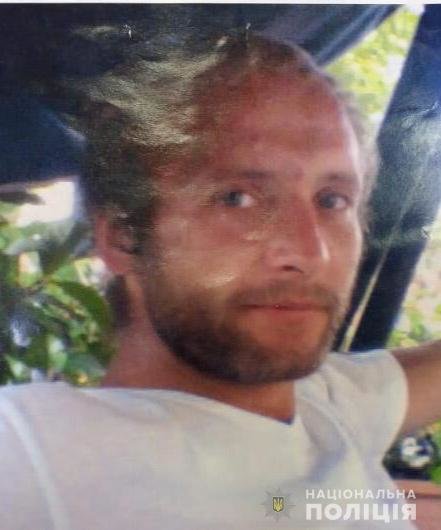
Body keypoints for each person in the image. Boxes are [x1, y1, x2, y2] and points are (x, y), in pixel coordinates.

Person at [1, 34, 440, 530]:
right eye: (238, 198)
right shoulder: (36, 453)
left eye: (332, 200)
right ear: (123, 236)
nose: (309, 252)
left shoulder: (326, 404)